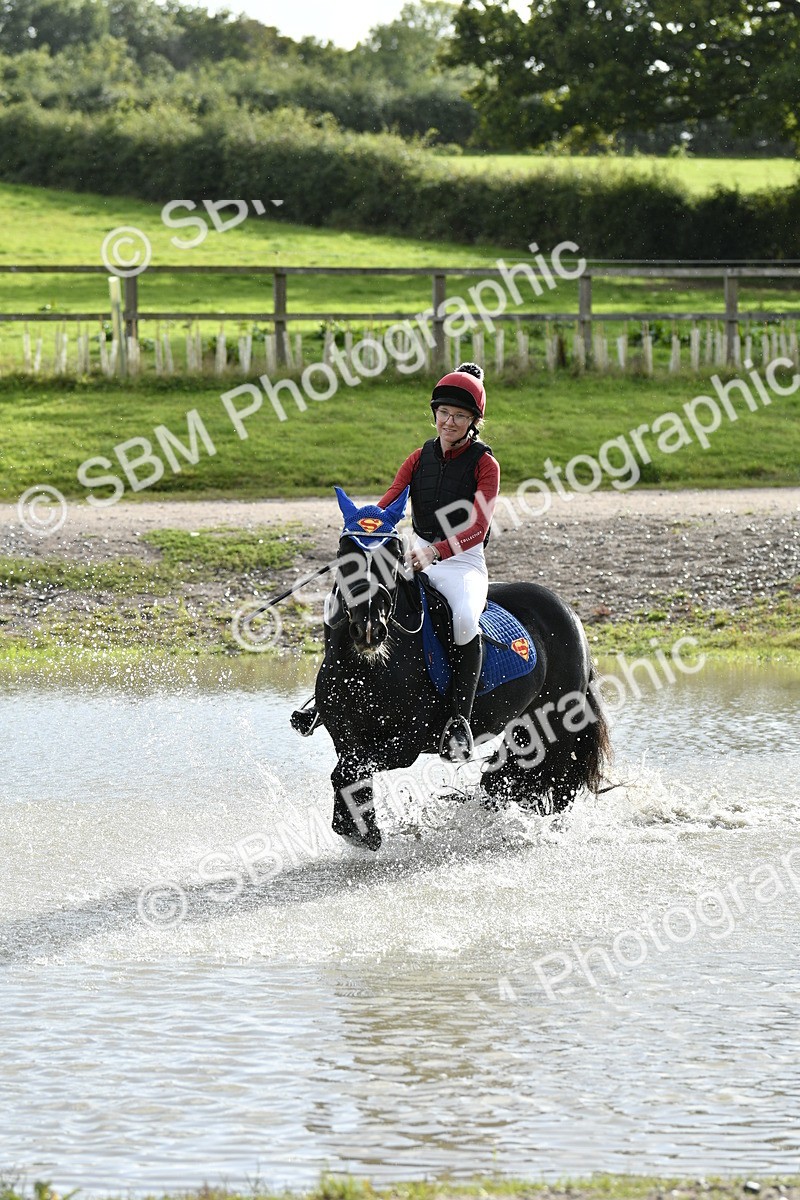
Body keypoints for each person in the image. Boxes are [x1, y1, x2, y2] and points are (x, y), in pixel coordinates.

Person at [291, 361, 500, 763]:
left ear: (473, 421)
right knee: (340, 600)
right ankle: (324, 696)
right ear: (435, 414)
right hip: (412, 551)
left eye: (459, 416)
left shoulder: (484, 464)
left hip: (461, 563)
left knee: (463, 619)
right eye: (444, 414)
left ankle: (458, 721)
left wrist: (435, 552)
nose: (449, 423)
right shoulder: (418, 458)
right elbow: (387, 506)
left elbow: (478, 526)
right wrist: (361, 531)